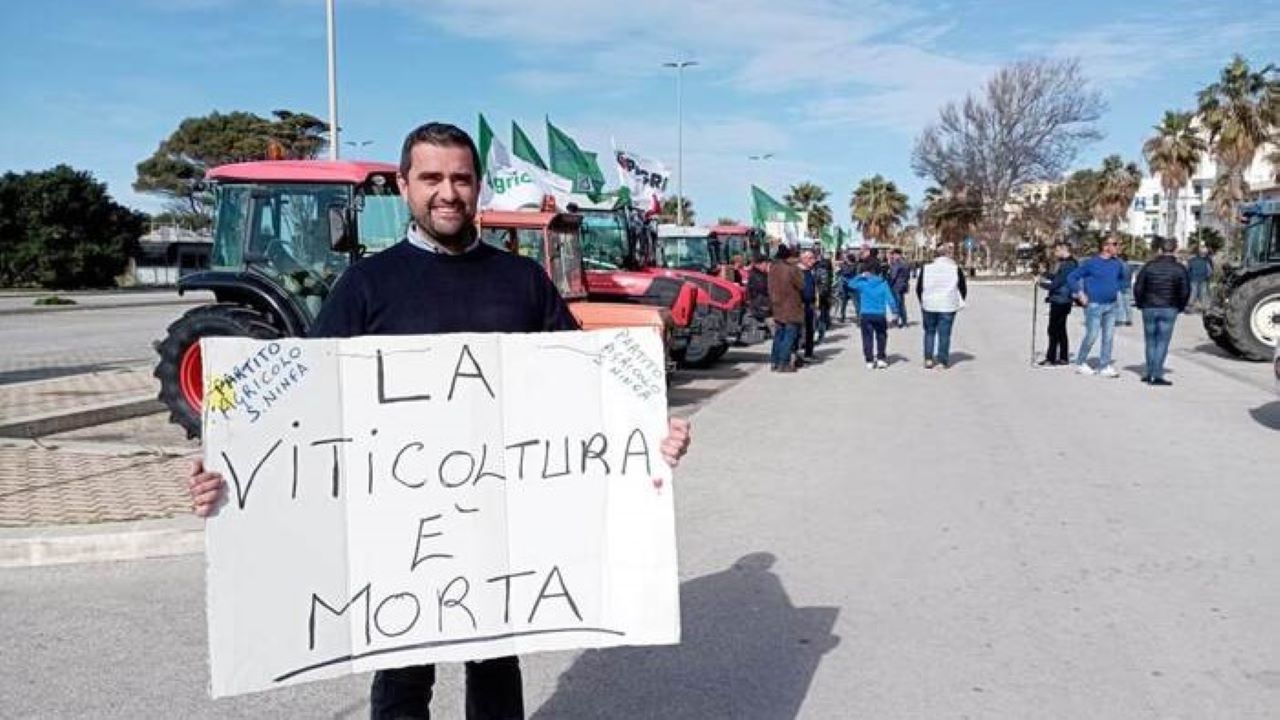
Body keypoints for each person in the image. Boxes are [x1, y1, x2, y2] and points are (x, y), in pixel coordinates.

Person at [186, 122, 692, 720]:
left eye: (460, 178)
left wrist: (649, 434)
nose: (447, 192)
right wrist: (229, 467)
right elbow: (303, 405)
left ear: (478, 188)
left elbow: (583, 393)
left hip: (501, 518)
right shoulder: (366, 285)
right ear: (404, 186)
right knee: (400, 677)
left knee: (498, 666)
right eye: (431, 178)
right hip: (395, 529)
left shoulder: (523, 281)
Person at [1068, 235, 1128, 377]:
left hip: (1111, 305)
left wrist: (1116, 288)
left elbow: (1122, 280)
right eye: (1115, 244)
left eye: (1118, 244)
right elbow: (1072, 277)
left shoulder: (1118, 264)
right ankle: (1081, 362)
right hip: (1094, 305)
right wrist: (1080, 293)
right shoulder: (1091, 263)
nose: (1117, 247)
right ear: (1105, 246)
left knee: (1108, 337)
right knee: (1092, 335)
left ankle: (1104, 365)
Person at [1133, 237, 1191, 385]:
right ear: (1175, 250)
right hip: (1169, 307)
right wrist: (1181, 306)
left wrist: (1140, 303)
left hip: (1149, 307)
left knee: (1150, 341)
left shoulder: (1149, 267)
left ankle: (1149, 372)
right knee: (1162, 342)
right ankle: (1157, 374)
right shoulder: (1179, 268)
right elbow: (1185, 290)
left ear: (1160, 250)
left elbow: (1138, 287)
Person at [916, 243, 967, 369]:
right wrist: (958, 301)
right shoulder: (955, 268)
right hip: (948, 304)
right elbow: (962, 288)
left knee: (929, 332)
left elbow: (919, 287)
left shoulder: (926, 268)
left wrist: (922, 301)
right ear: (948, 254)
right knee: (945, 333)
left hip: (929, 303)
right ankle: (942, 361)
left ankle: (928, 358)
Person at [847, 270, 899, 369]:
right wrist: (894, 311)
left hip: (866, 314)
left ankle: (869, 360)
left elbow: (850, 284)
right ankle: (881, 358)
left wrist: (859, 276)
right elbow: (890, 298)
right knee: (881, 336)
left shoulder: (863, 283)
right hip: (879, 314)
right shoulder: (883, 283)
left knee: (867, 337)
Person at [1038, 242, 1078, 366]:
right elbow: (1056, 277)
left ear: (1064, 250)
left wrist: (1040, 283)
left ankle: (1051, 358)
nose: (1055, 253)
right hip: (1062, 299)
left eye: (1057, 250)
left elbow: (1057, 283)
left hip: (1061, 299)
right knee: (1060, 329)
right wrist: (1044, 273)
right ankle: (1063, 357)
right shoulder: (1068, 263)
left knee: (1053, 329)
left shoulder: (1069, 265)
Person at [768, 244, 804, 372]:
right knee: (789, 336)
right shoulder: (792, 269)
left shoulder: (772, 268)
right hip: (791, 307)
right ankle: (784, 363)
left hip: (777, 305)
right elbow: (801, 285)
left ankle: (774, 361)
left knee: (779, 335)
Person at [746, 253, 772, 339]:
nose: (767, 266)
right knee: (774, 326)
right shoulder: (756, 275)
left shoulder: (761, 274)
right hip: (761, 305)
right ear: (759, 264)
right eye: (766, 264)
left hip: (763, 303)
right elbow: (764, 288)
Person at [799, 249, 817, 362]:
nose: (813, 260)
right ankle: (802, 354)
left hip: (810, 304)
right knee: (803, 330)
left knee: (810, 329)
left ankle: (809, 353)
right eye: (810, 258)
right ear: (804, 259)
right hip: (802, 304)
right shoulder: (799, 272)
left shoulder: (809, 271)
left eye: (813, 258)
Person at [813, 248, 834, 343]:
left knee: (820, 317)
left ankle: (820, 336)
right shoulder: (827, 270)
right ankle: (820, 335)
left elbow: (822, 286)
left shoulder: (821, 270)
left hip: (820, 297)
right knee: (823, 316)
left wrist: (818, 295)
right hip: (824, 296)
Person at [887, 249, 911, 328]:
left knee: (897, 304)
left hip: (896, 286)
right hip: (903, 285)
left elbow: (893, 275)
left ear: (897, 254)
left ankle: (897, 321)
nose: (892, 256)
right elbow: (908, 276)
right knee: (902, 304)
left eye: (893, 254)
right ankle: (904, 321)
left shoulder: (897, 263)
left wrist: (889, 284)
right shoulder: (906, 262)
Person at [1187, 246, 1214, 313]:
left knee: (1193, 292)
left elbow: (1187, 269)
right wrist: (1207, 277)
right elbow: (1210, 272)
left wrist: (1189, 277)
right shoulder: (1206, 261)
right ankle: (1203, 307)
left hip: (1193, 279)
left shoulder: (1191, 260)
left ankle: (1190, 306)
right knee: (1203, 293)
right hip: (1203, 279)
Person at [836, 252, 857, 322]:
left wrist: (841, 268)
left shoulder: (854, 266)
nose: (845, 259)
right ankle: (842, 316)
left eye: (846, 258)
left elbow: (847, 272)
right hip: (844, 286)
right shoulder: (844, 265)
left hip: (852, 286)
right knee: (843, 303)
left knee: (855, 303)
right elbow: (838, 273)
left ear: (849, 259)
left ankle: (859, 317)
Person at [1114, 254, 1134, 326]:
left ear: (1121, 259)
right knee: (1127, 305)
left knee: (1119, 305)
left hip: (1120, 287)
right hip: (1127, 287)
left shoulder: (1120, 267)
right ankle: (1129, 320)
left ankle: (1119, 320)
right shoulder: (1129, 267)